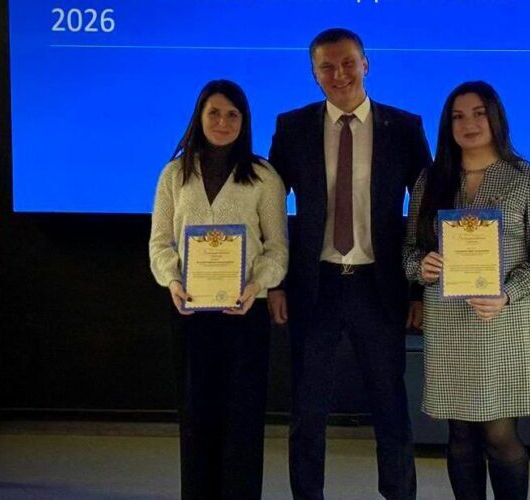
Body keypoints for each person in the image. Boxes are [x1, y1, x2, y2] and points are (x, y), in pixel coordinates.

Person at [268, 28, 432, 500]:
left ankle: (399, 494)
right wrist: (275, 283)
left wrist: (419, 290)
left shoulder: (404, 128)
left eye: (347, 63)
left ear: (366, 65)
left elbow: (424, 210)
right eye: (326, 67)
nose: (338, 74)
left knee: (389, 404)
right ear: (314, 74)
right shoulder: (292, 127)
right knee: (307, 409)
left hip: (378, 286)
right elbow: (269, 209)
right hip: (314, 285)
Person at [402, 81, 530, 500]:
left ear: (496, 118)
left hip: (500, 325)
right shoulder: (430, 180)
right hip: (447, 326)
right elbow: (409, 253)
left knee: (499, 436)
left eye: (478, 113)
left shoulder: (527, 178)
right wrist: (422, 267)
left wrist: (508, 294)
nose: (468, 124)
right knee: (459, 435)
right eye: (458, 116)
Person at [148, 79, 288, 500]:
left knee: (242, 421)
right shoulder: (174, 175)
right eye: (214, 113)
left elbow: (277, 247)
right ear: (199, 116)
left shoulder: (263, 175)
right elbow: (160, 243)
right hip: (190, 314)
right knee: (196, 419)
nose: (222, 122)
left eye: (232, 114)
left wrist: (257, 284)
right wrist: (172, 279)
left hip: (245, 314)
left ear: (244, 121)